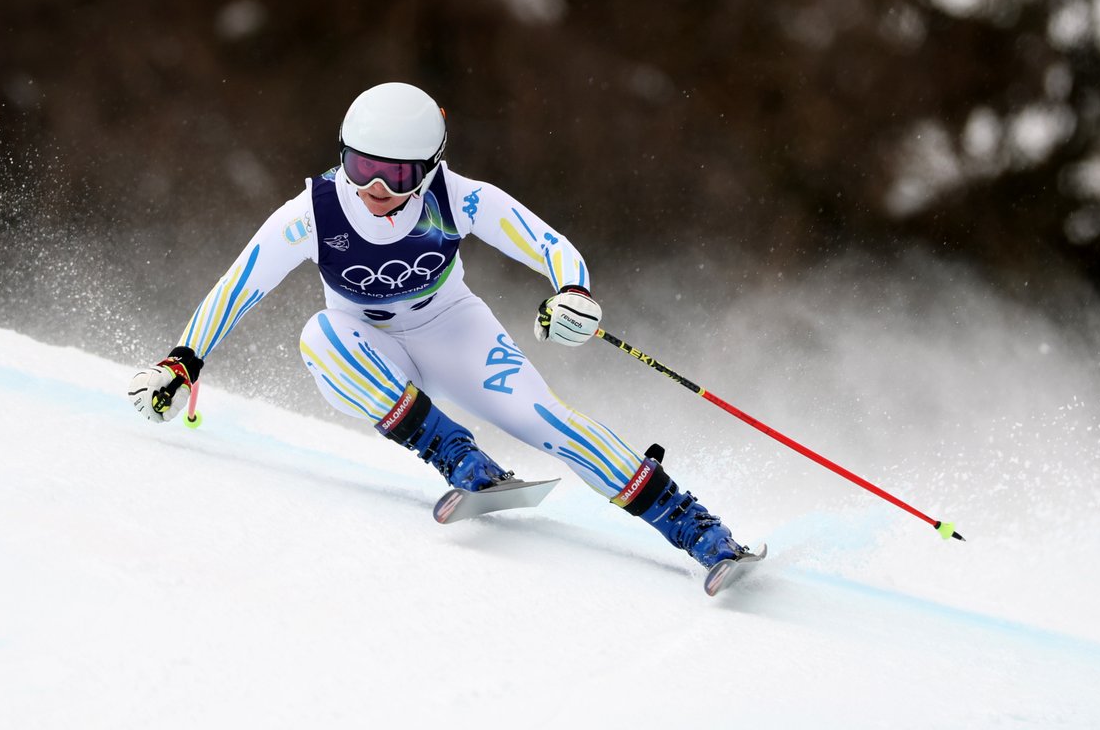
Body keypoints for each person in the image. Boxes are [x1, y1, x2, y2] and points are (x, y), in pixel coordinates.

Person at [128, 82, 749, 570]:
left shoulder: (458, 197)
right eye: (360, 165)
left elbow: (550, 246)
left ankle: (696, 530)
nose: (373, 186)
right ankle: (459, 457)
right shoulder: (313, 211)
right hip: (367, 350)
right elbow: (240, 285)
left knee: (551, 422)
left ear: (426, 168)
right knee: (319, 335)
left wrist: (572, 293)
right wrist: (184, 361)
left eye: (394, 174)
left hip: (455, 332)